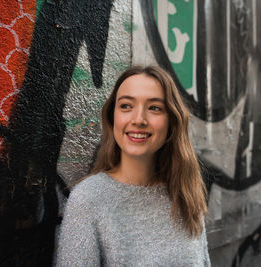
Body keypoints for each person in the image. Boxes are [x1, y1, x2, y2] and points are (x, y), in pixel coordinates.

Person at [55, 66, 210, 266]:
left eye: (154, 108)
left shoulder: (185, 193)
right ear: (113, 117)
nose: (138, 120)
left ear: (171, 122)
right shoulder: (89, 199)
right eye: (126, 106)